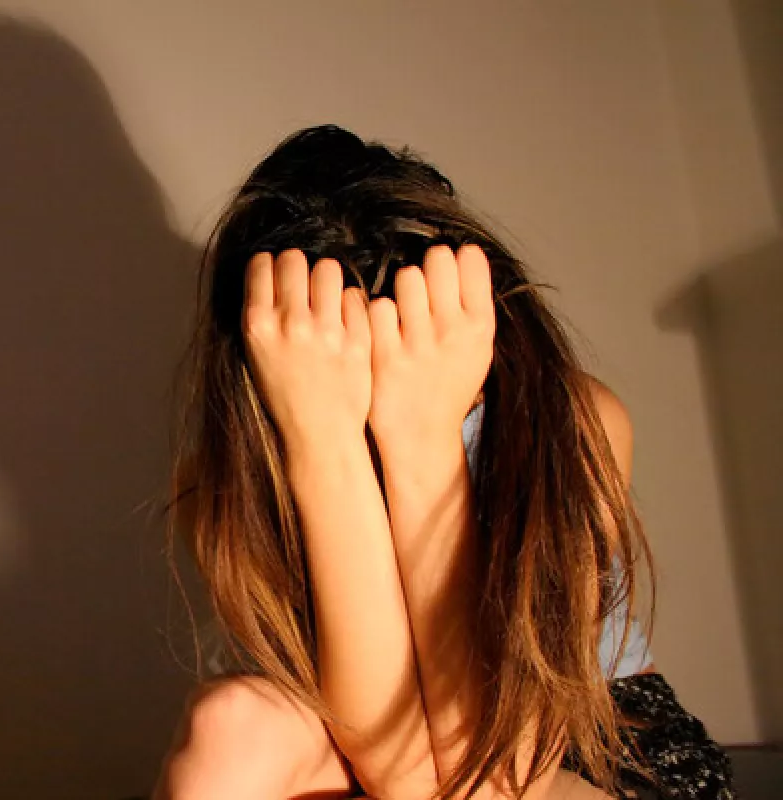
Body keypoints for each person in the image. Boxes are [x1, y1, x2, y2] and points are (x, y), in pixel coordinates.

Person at [153, 126, 735, 799]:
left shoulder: (573, 424)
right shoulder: (224, 487)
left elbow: (490, 777)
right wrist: (322, 444)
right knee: (232, 726)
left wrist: (422, 436)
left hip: (595, 747)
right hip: (379, 750)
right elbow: (400, 765)